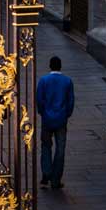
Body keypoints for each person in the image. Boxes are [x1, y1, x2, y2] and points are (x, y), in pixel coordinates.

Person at [36, 55, 75, 191]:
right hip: (61, 119)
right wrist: (66, 114)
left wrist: (42, 112)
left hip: (47, 119)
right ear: (60, 66)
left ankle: (46, 172)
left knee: (46, 146)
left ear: (50, 66)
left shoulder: (44, 80)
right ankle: (56, 179)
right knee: (60, 149)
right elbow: (70, 101)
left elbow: (39, 100)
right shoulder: (67, 81)